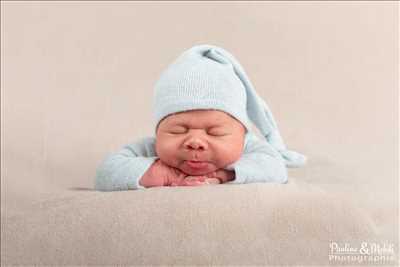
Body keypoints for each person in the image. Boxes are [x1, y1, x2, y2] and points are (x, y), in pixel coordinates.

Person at [94, 44, 307, 191]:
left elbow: (276, 168)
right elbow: (105, 172)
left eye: (215, 132)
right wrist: (162, 174)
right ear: (158, 132)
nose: (195, 142)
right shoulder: (151, 150)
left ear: (242, 133)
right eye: (178, 130)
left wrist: (225, 174)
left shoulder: (247, 148)